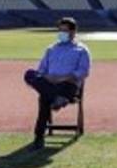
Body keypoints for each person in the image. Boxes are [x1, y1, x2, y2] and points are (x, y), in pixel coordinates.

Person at [24, 16, 90, 149]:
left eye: (64, 31)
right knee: (30, 74)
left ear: (73, 32)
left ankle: (39, 137)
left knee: (44, 99)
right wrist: (48, 77)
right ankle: (57, 99)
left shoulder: (81, 50)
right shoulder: (51, 49)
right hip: (50, 83)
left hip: (68, 85)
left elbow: (83, 72)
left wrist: (62, 78)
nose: (61, 33)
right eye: (60, 30)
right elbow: (41, 70)